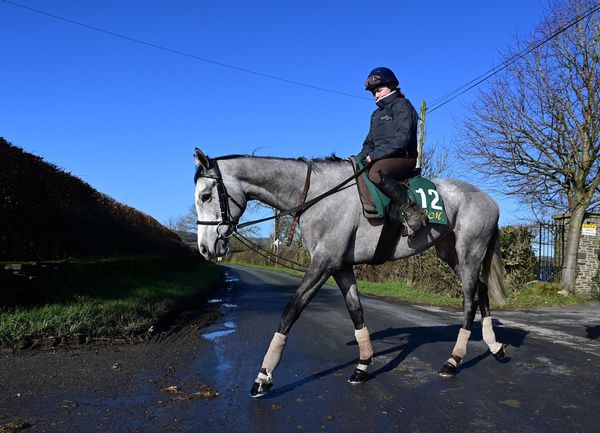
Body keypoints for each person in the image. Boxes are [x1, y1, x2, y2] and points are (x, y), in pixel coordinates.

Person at [358, 66, 426, 236]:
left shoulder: (402, 105)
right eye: (373, 92)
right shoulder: (375, 115)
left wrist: (374, 155)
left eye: (379, 90)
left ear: (391, 86)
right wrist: (357, 159)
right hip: (381, 157)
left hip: (403, 157)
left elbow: (402, 140)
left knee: (375, 173)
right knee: (356, 170)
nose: (376, 95)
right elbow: (369, 142)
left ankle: (411, 211)